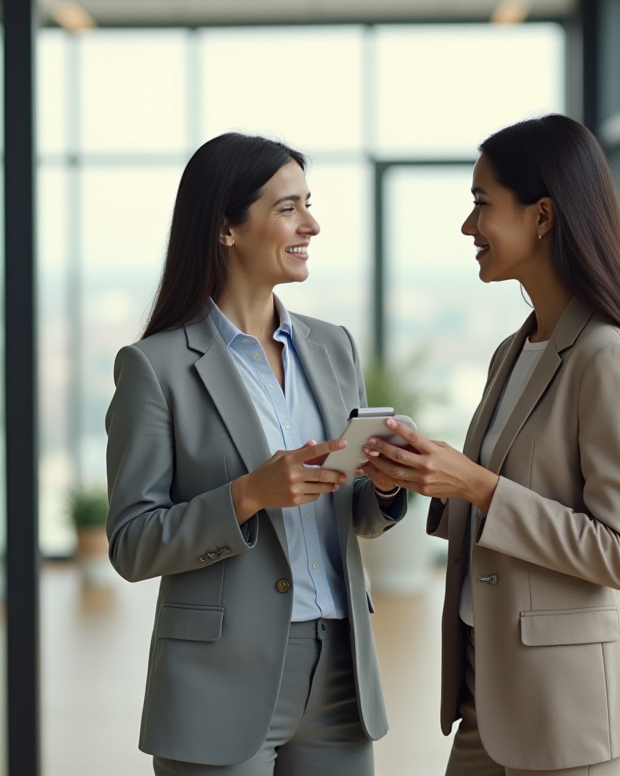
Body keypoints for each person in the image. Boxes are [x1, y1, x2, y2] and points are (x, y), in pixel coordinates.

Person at [359, 114, 620, 776]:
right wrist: (422, 475)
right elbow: (510, 506)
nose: (468, 227)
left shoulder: (608, 358)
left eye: (482, 204)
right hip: (491, 688)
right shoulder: (514, 352)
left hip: (567, 706)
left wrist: (476, 483)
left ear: (542, 216)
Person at [105, 132, 409, 775]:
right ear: (226, 229)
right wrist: (247, 496)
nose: (312, 224)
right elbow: (131, 544)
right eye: (288, 207)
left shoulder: (333, 347)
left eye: (309, 204)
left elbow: (352, 513)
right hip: (218, 680)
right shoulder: (155, 368)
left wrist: (383, 484)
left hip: (340, 675)